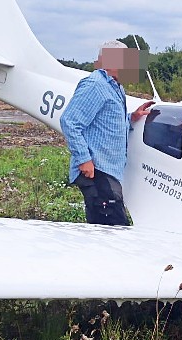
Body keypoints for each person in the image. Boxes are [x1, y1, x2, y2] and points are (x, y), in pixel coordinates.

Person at [60, 40, 153, 225]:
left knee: (106, 227)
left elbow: (105, 120)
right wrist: (84, 159)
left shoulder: (115, 86)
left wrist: (131, 118)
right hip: (97, 170)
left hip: (108, 171)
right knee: (113, 230)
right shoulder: (95, 85)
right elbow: (69, 121)